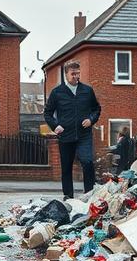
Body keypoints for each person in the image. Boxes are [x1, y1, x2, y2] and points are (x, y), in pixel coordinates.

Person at [44, 60, 102, 199]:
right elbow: (47, 113)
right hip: (66, 135)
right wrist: (55, 125)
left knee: (87, 162)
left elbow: (96, 109)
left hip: (84, 135)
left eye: (78, 73)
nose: (76, 76)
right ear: (66, 74)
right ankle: (68, 196)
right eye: (73, 74)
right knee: (66, 166)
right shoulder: (57, 92)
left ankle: (89, 194)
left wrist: (91, 120)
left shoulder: (87, 91)